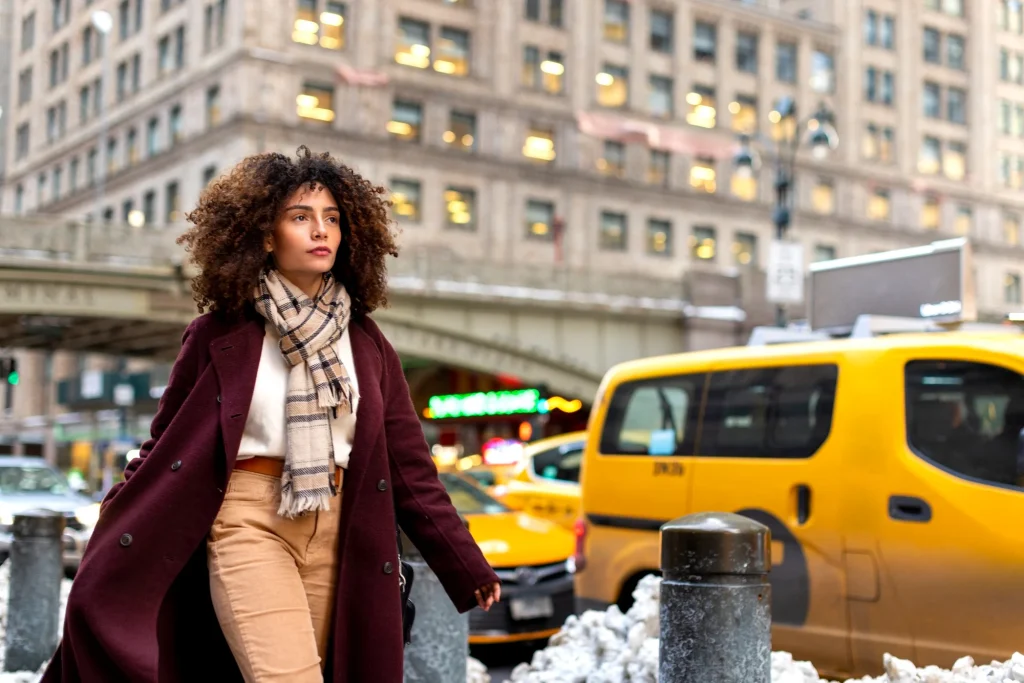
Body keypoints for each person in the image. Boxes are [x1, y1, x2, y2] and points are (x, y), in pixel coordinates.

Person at [43, 147, 501, 683]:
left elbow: (410, 467)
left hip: (342, 530)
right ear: (265, 235)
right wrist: (120, 517)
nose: (320, 230)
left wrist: (463, 561)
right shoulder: (219, 336)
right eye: (301, 217)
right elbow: (165, 442)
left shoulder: (367, 345)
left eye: (332, 218)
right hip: (247, 520)